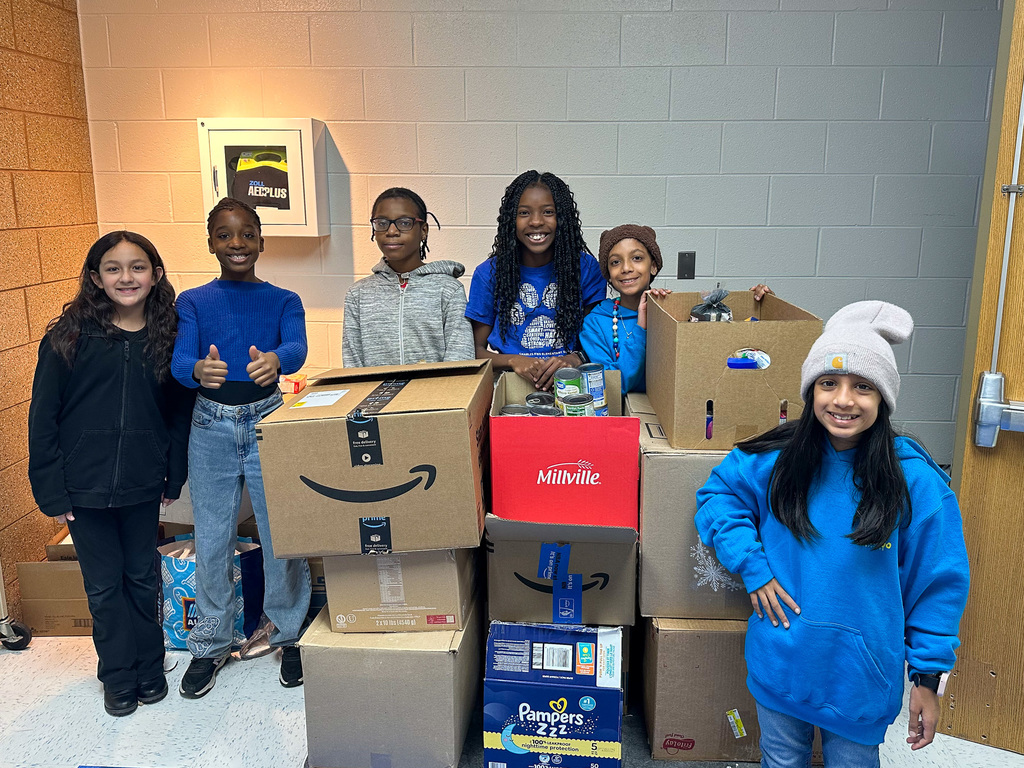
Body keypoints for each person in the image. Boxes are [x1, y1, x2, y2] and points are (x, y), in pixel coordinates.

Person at [695, 300, 969, 767]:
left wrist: (927, 679)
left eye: (863, 386)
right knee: (781, 759)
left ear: (883, 397)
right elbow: (718, 496)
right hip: (781, 663)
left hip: (860, 680)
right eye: (829, 383)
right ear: (810, 390)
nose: (843, 400)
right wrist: (752, 565)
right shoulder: (775, 459)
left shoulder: (915, 482)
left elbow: (938, 584)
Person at [28, 231, 192, 717]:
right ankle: (118, 677)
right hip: (82, 488)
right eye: (114, 268)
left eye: (137, 267)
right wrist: (51, 489)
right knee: (103, 588)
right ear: (96, 278)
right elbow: (43, 417)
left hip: (143, 482)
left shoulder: (169, 338)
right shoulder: (69, 337)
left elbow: (178, 415)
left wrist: (173, 474)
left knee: (142, 579)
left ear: (155, 275)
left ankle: (149, 668)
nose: (126, 277)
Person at [171, 198, 311, 698]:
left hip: (268, 419)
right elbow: (180, 361)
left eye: (248, 234)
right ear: (211, 242)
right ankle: (210, 645)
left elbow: (297, 347)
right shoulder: (192, 301)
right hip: (210, 425)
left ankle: (288, 635)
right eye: (225, 235)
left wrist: (276, 359)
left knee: (281, 533)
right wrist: (197, 369)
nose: (237, 243)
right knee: (212, 538)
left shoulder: (284, 299)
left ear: (261, 242)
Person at [465, 170, 605, 390]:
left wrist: (573, 358)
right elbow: (474, 352)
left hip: (571, 383)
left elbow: (599, 341)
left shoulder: (585, 268)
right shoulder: (488, 274)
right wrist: (513, 360)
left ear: (562, 218)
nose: (536, 221)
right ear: (511, 219)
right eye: (524, 213)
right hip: (510, 384)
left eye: (548, 212)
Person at [343, 187, 474, 367]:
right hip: (376, 387)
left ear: (423, 230)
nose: (391, 231)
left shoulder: (448, 290)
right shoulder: (358, 294)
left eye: (404, 223)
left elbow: (460, 359)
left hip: (438, 386)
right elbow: (352, 363)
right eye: (382, 223)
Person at [579, 224, 669, 393]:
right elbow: (613, 385)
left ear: (653, 266)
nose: (626, 268)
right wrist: (640, 327)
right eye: (615, 262)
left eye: (637, 258)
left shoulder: (670, 314)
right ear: (608, 274)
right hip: (619, 409)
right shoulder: (595, 323)